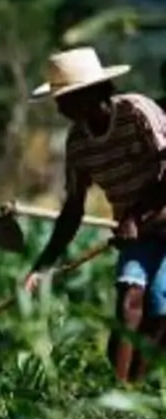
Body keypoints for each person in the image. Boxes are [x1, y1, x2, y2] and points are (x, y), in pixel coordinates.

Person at [24, 47, 166, 383]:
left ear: (90, 94)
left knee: (160, 314)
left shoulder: (136, 112)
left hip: (152, 220)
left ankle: (135, 389)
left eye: (66, 98)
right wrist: (42, 265)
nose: (59, 108)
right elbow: (73, 208)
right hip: (139, 233)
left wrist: (136, 213)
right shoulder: (78, 144)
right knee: (129, 297)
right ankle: (115, 393)